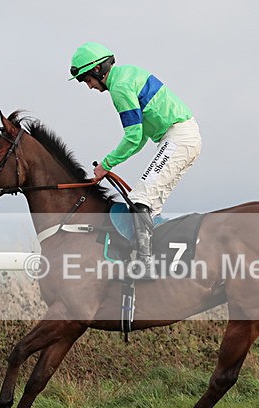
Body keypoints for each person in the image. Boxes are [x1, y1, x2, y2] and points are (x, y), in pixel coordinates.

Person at [69, 42, 202, 272]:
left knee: (140, 198)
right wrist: (110, 164)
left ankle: (145, 263)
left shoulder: (119, 88)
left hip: (179, 137)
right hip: (184, 136)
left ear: (98, 70)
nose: (88, 86)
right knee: (150, 206)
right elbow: (139, 137)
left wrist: (106, 164)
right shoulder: (126, 75)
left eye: (87, 79)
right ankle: (158, 257)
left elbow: (133, 135)